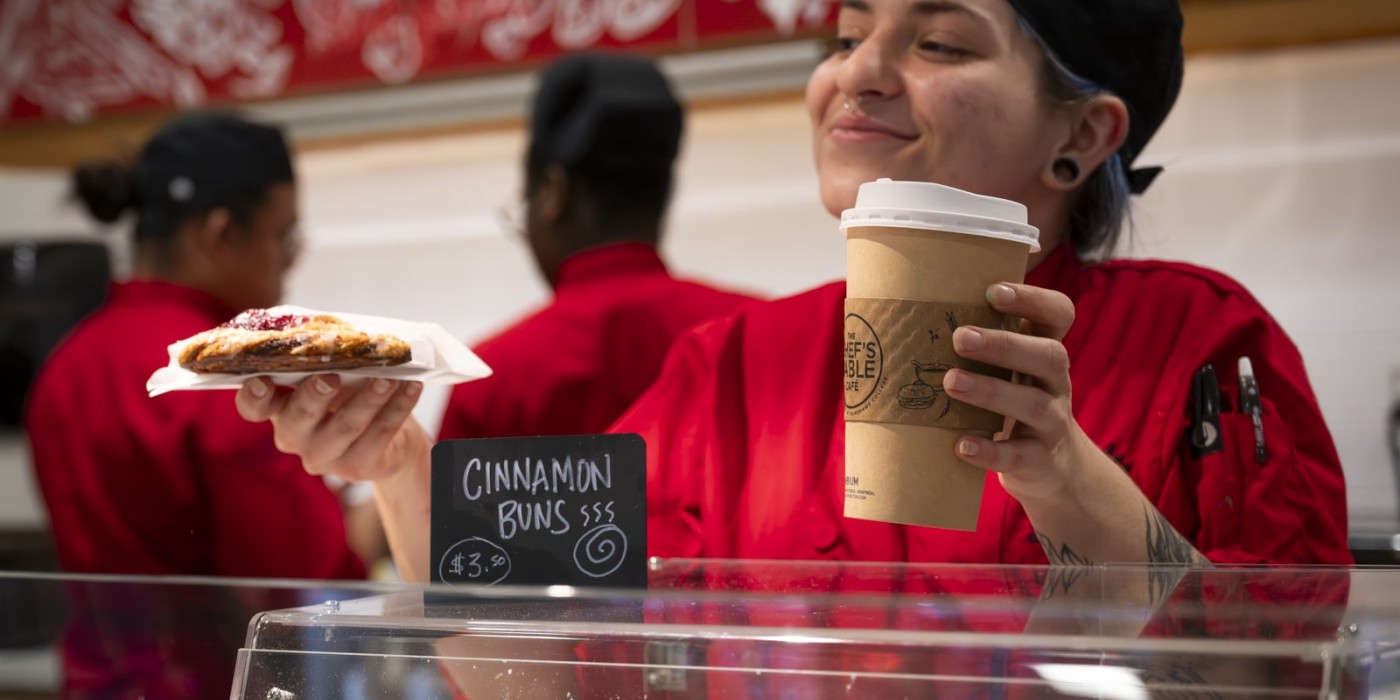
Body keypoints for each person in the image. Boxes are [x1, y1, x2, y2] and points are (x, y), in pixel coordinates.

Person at [236, 0, 1351, 582]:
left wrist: (1064, 479)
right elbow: (534, 653)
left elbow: (1273, 673)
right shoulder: (729, 365)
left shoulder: (1201, 340)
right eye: (847, 30)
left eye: (940, 41)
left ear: (1078, 136)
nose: (857, 70)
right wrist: (393, 460)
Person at [26, 112, 379, 580]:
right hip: (211, 654)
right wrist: (402, 489)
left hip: (88, 653)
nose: (288, 264)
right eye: (283, 237)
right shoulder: (226, 375)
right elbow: (314, 579)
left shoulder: (65, 363)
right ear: (222, 234)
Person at [436, 52, 754, 441]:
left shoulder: (489, 379)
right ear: (665, 192)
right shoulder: (755, 333)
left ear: (554, 193)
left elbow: (453, 503)